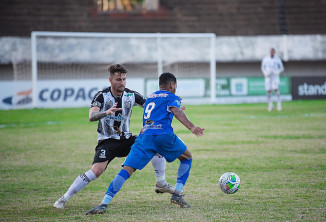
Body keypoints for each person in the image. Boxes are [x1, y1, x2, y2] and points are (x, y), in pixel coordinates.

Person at [53, 64, 174, 209]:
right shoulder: (101, 96)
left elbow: (152, 107)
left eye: (124, 79)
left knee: (156, 144)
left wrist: (168, 106)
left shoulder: (131, 95)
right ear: (110, 80)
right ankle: (64, 199)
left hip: (127, 140)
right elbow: (91, 116)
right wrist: (106, 112)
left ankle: (161, 183)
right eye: (118, 79)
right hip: (107, 141)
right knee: (96, 171)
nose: (122, 82)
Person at [85, 72, 205, 215]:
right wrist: (192, 127)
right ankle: (177, 194)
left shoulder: (150, 97)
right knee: (187, 157)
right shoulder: (172, 97)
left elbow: (161, 111)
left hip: (145, 136)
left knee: (126, 170)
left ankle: (104, 203)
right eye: (175, 86)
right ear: (172, 85)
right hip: (163, 135)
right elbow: (175, 110)